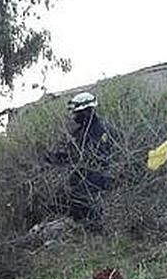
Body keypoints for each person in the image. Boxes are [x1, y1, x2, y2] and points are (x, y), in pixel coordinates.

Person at [48, 91, 116, 231]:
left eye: (76, 113)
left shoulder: (103, 131)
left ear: (86, 112)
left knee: (92, 221)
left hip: (95, 185)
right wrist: (53, 158)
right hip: (80, 185)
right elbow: (70, 155)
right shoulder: (79, 133)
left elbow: (98, 159)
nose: (74, 117)